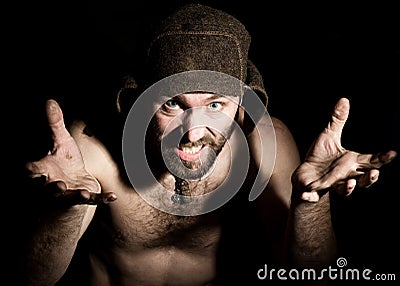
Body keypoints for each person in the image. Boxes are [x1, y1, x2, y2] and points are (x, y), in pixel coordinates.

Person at [22, 3, 396, 286]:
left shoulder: (265, 147)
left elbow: (311, 275)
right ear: (136, 102)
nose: (193, 131)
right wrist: (65, 212)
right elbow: (33, 280)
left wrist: (310, 203)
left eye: (215, 105)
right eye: (173, 104)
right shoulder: (91, 149)